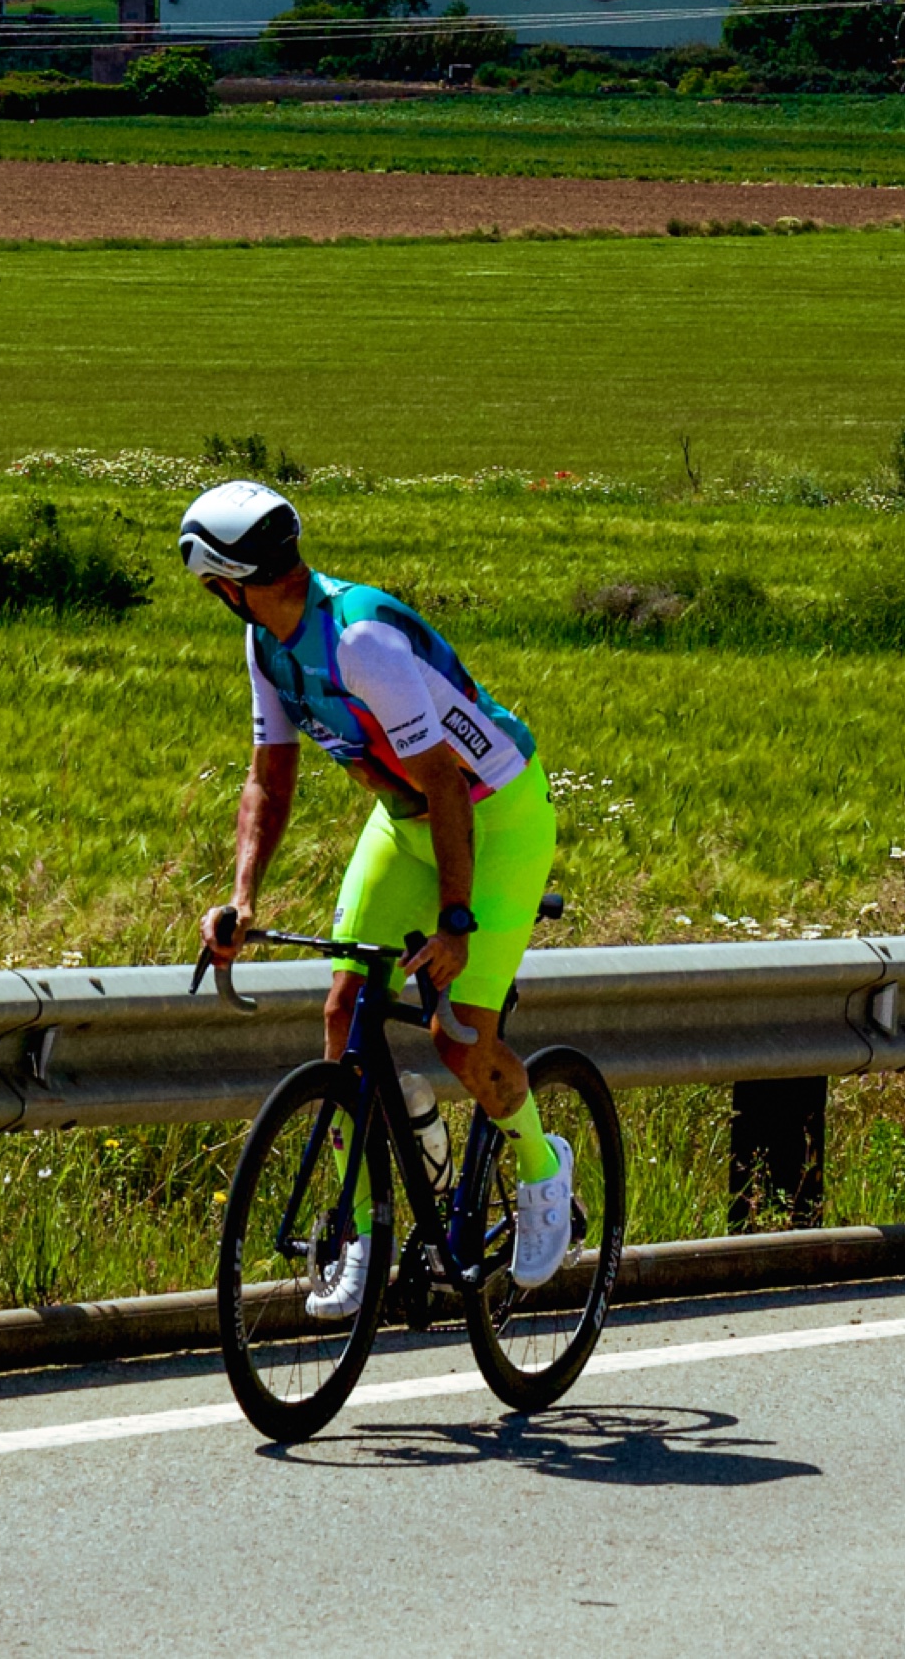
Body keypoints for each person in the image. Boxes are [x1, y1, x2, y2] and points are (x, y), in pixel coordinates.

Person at [180, 473, 575, 1297]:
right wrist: (243, 899)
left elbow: (445, 781)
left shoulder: (358, 642)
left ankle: (544, 1171)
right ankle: (363, 1233)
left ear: (225, 586)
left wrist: (457, 921)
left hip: (492, 815)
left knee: (457, 1037)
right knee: (342, 1011)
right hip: (406, 821)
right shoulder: (266, 645)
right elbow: (269, 780)